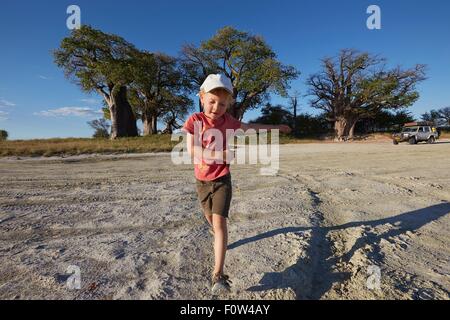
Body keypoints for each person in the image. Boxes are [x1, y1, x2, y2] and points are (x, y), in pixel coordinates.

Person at [183, 74, 291, 294]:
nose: (216, 107)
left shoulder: (229, 122)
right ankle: (217, 236)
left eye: (222, 103)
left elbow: (251, 127)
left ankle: (218, 275)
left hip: (222, 179)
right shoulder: (195, 120)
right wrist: (218, 153)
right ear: (202, 98)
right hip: (202, 181)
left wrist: (276, 127)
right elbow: (192, 150)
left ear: (229, 104)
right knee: (210, 220)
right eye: (212, 101)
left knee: (220, 222)